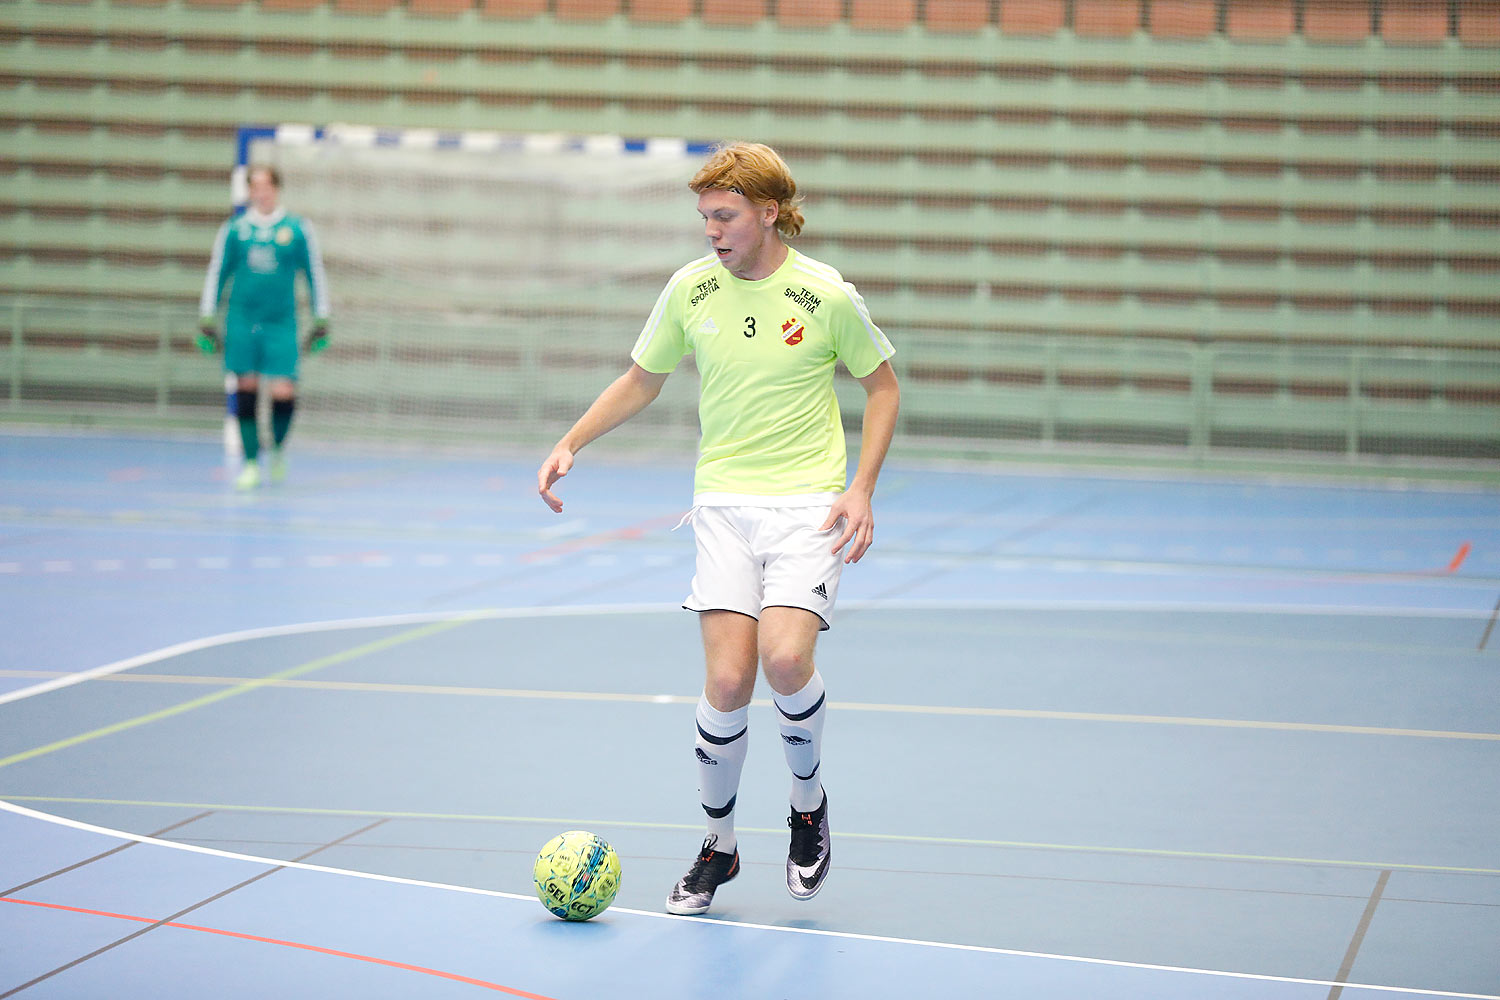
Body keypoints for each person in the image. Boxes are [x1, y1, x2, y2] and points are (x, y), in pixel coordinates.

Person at [536, 141, 900, 916]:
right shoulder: (690, 289)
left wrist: (860, 488)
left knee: (785, 657)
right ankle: (719, 846)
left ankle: (807, 808)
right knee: (729, 681)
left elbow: (884, 389)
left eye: (725, 215)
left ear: (769, 213)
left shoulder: (825, 295)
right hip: (723, 507)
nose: (712, 230)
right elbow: (642, 378)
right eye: (705, 216)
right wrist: (572, 441)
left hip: (807, 507)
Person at [199, 164, 330, 490]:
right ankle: (252, 462)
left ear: (276, 188)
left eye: (266, 185)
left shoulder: (297, 229)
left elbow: (314, 273)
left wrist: (321, 317)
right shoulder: (235, 229)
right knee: (245, 387)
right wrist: (206, 318)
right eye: (254, 186)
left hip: (282, 322)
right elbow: (218, 272)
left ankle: (279, 449)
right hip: (242, 320)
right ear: (249, 191)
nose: (261, 192)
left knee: (284, 390)